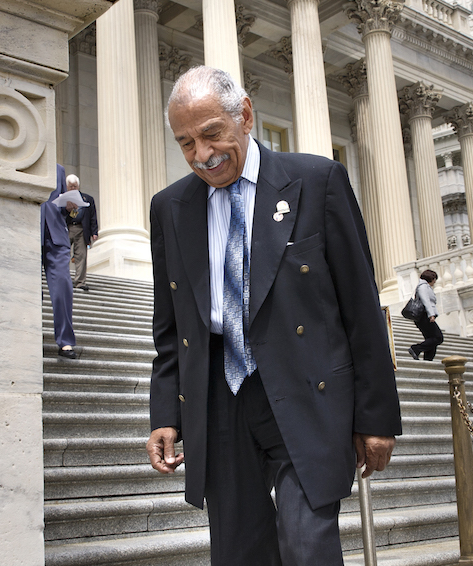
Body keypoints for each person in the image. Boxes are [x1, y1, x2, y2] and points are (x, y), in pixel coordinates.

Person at [146, 65, 401, 566]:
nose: (202, 155)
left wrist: (376, 417)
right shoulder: (169, 208)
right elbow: (172, 326)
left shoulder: (317, 180)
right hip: (219, 401)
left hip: (306, 392)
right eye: (185, 143)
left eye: (211, 134)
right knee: (238, 552)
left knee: (307, 545)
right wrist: (166, 413)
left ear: (244, 115)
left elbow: (360, 307)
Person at [41, 163, 77, 358]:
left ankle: (65, 341)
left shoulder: (58, 169)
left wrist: (71, 208)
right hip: (29, 229)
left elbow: (62, 205)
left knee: (63, 286)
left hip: (56, 234)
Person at [63, 174, 98, 292]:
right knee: (63, 254)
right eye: (70, 186)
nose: (73, 188)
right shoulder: (63, 198)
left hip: (82, 229)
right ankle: (63, 279)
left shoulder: (87, 198)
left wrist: (94, 232)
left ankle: (80, 281)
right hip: (66, 228)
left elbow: (93, 216)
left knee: (81, 256)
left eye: (75, 186)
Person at [407, 269, 443, 361]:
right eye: (434, 279)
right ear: (431, 278)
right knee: (438, 337)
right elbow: (425, 301)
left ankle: (428, 359)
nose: (435, 281)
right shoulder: (422, 286)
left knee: (431, 338)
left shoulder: (426, 286)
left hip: (426, 315)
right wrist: (431, 315)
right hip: (424, 316)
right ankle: (415, 348)